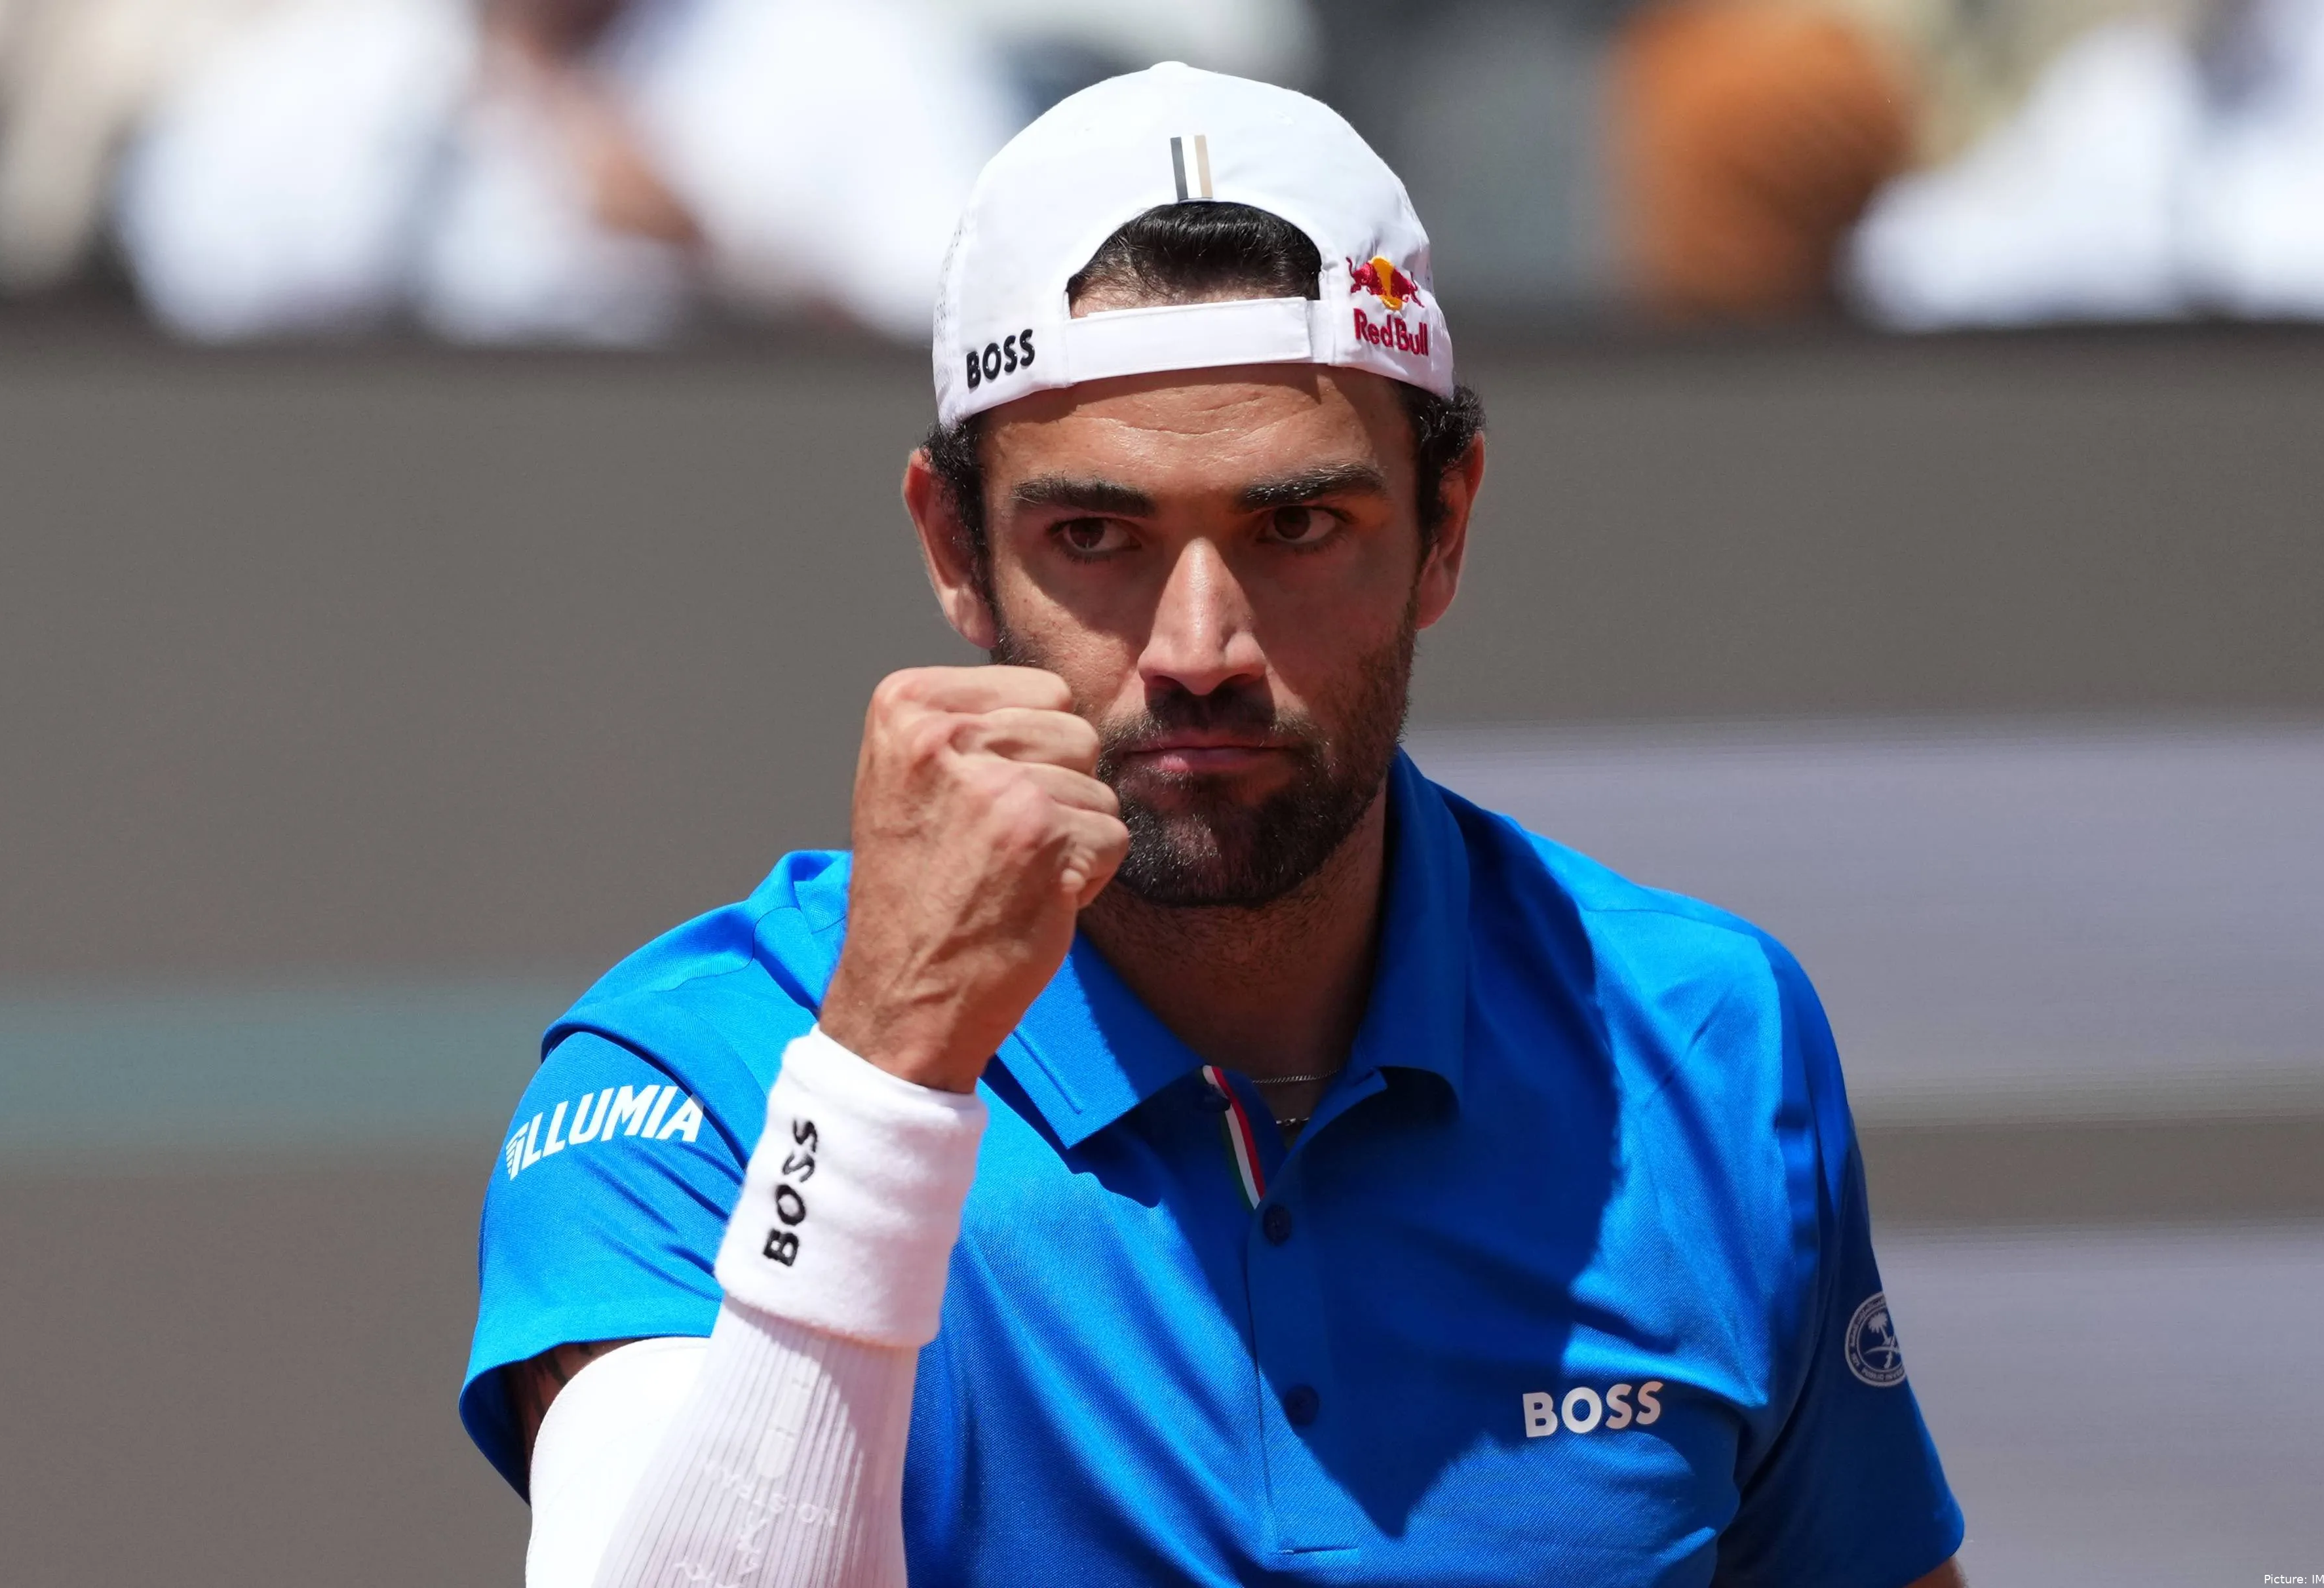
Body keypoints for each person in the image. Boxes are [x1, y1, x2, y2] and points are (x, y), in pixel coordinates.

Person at [461, 62, 1967, 1587]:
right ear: (953, 549)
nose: (1198, 646)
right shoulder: (694, 1080)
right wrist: (883, 1074)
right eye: (1095, 536)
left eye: (1295, 525)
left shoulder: (1704, 1035)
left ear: (1443, 529)